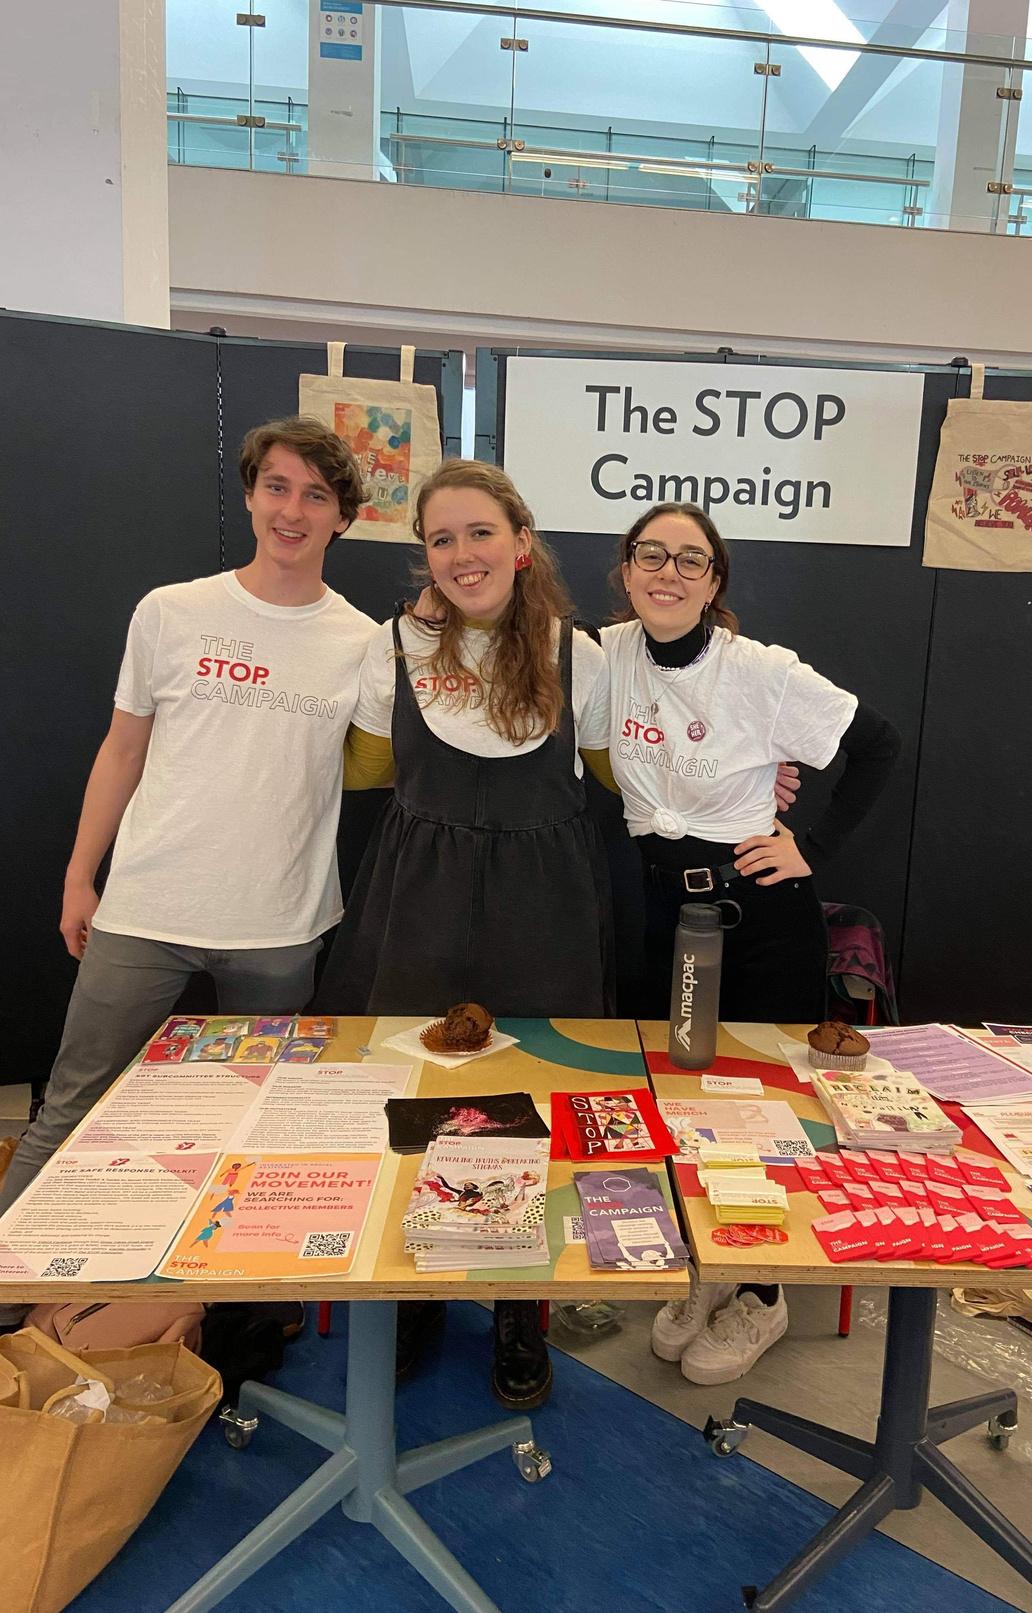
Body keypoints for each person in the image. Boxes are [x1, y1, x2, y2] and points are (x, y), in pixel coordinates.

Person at [0, 418, 375, 1245]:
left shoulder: (363, 644)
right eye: (276, 487)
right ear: (250, 495)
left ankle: (216, 1302)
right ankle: (12, 1289)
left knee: (251, 1129)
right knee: (73, 1106)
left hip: (279, 927)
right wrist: (79, 875)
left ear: (343, 517)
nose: (292, 510)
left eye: (316, 495)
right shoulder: (171, 612)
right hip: (145, 910)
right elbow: (122, 749)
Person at [324, 458, 616, 1410]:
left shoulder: (581, 653)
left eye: (479, 532)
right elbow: (366, 767)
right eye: (441, 538)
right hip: (422, 893)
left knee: (529, 1099)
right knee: (415, 1094)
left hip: (544, 902)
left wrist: (746, 779)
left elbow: (618, 773)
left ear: (521, 543)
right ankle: (413, 1291)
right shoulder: (397, 643)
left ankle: (517, 1305)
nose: (461, 553)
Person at [600, 501, 901, 1386]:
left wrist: (815, 847)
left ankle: (763, 1292)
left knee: (759, 1107)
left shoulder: (761, 671)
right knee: (675, 1094)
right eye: (651, 554)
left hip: (758, 916)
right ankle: (710, 1262)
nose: (668, 572)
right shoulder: (602, 655)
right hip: (660, 911)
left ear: (715, 581)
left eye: (689, 559)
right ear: (625, 571)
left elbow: (879, 745)